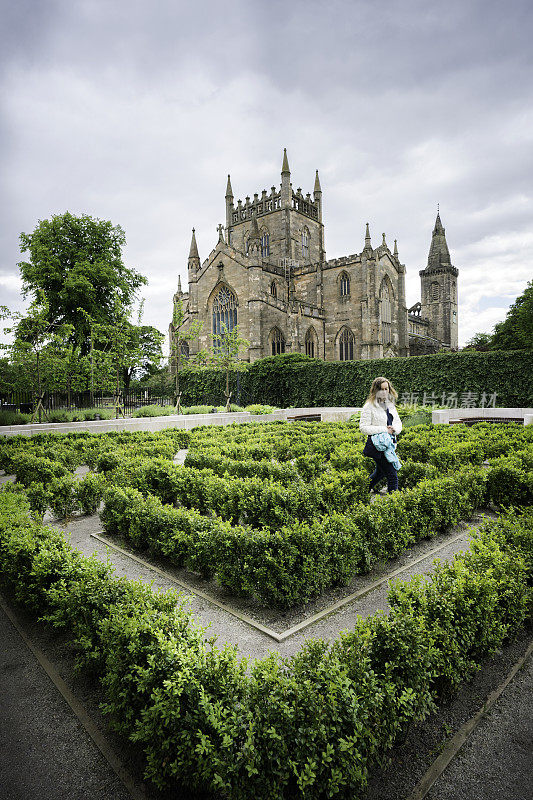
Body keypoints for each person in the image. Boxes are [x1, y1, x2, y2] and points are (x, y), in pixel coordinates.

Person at [359, 376, 402, 494]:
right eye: (381, 389)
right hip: (378, 446)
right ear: (375, 390)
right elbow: (363, 428)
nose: (384, 392)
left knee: (380, 472)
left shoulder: (390, 405)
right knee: (392, 474)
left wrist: (395, 429)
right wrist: (384, 429)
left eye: (386, 389)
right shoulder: (369, 406)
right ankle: (394, 502)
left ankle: (361, 491)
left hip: (390, 444)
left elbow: (398, 422)